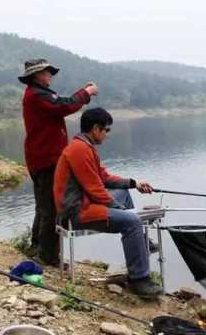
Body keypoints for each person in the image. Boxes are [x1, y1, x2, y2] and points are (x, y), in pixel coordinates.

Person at [53, 108, 163, 297]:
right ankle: (139, 280)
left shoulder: (85, 146)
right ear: (96, 129)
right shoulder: (79, 150)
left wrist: (133, 183)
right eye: (107, 130)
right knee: (133, 222)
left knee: (123, 193)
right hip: (77, 211)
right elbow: (95, 189)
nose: (107, 134)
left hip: (85, 202)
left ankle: (141, 243)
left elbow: (103, 177)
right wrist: (122, 211)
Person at [20, 59, 98, 265]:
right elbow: (65, 105)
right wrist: (87, 92)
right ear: (37, 75)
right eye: (47, 72)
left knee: (43, 205)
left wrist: (82, 93)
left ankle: (37, 246)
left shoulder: (36, 94)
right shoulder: (37, 95)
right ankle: (48, 256)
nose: (50, 75)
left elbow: (62, 103)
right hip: (47, 158)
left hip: (40, 157)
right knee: (52, 207)